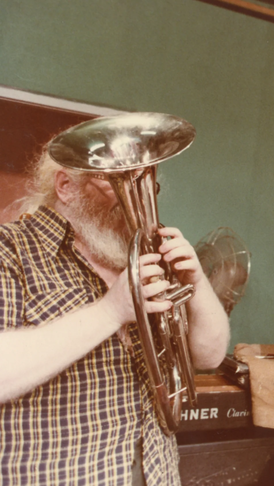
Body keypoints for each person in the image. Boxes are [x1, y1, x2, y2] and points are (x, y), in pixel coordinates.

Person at [0, 152, 231, 485]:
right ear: (66, 186)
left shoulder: (143, 256)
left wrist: (197, 283)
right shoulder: (10, 249)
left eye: (145, 183)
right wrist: (111, 311)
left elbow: (209, 357)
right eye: (117, 181)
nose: (136, 201)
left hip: (158, 473)